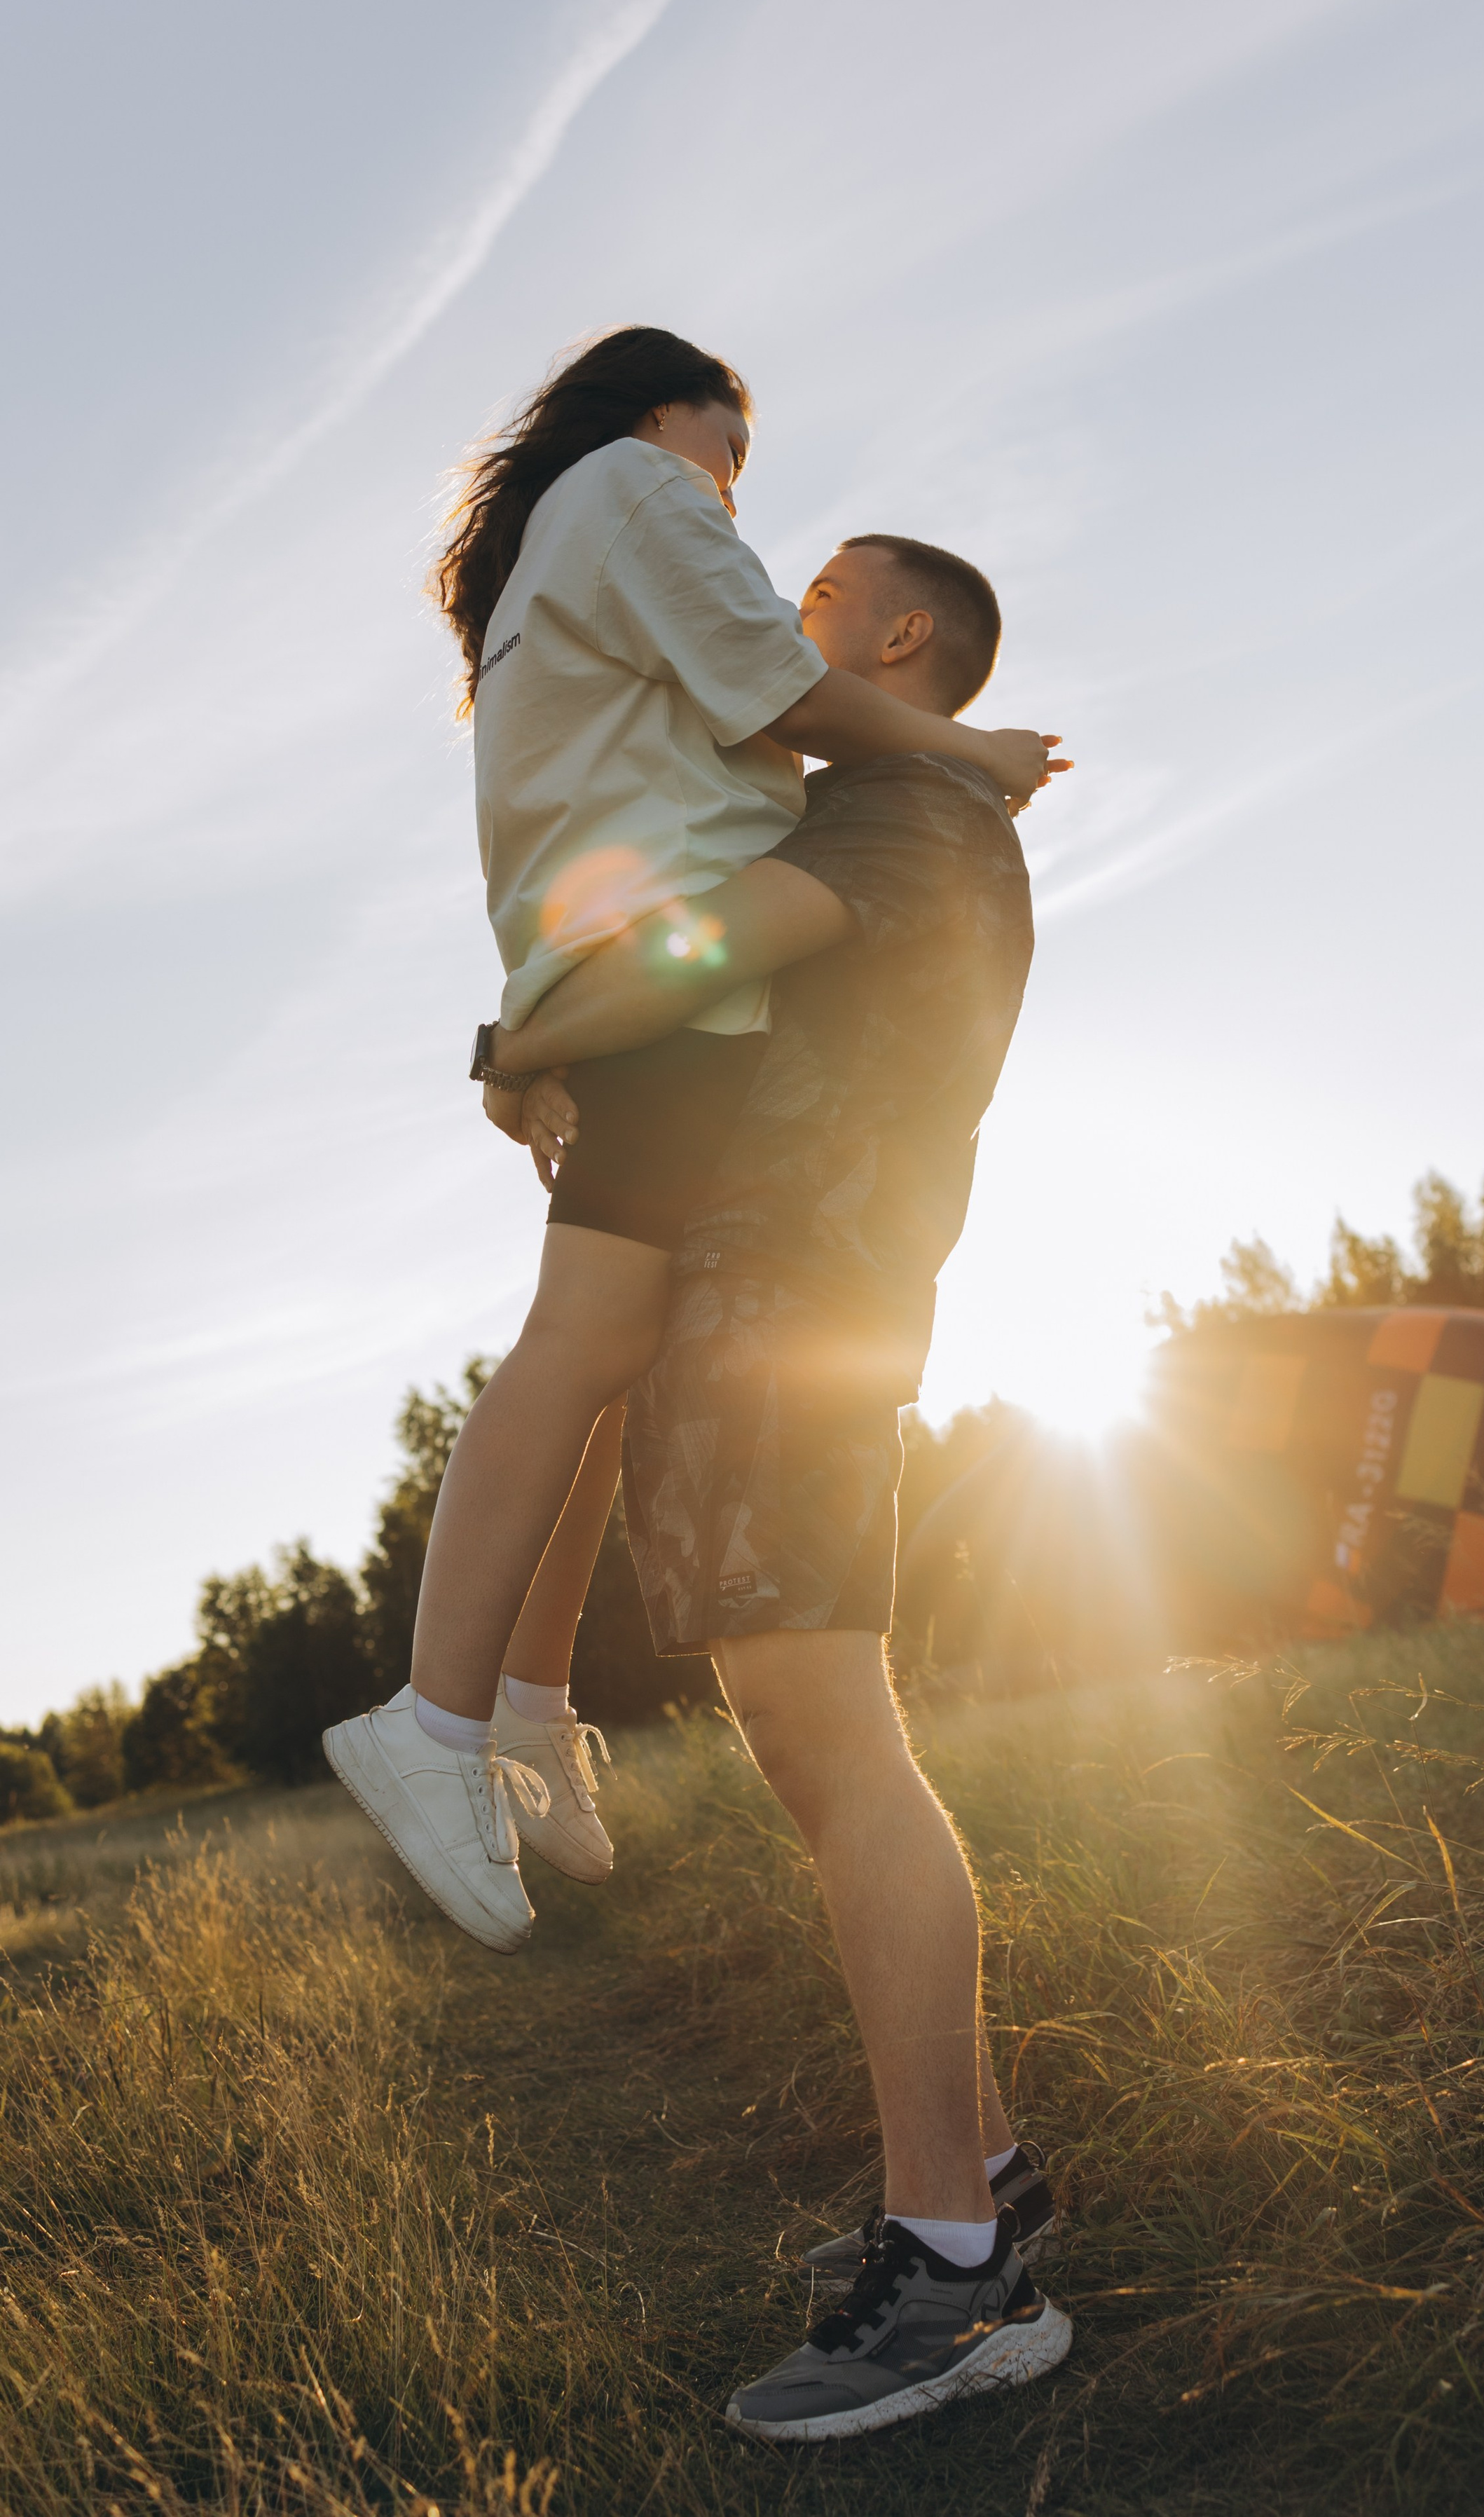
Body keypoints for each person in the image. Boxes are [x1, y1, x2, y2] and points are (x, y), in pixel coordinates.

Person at [324, 326, 1060, 1954]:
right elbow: (793, 694)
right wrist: (979, 753)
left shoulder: (579, 536)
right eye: (735, 451)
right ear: (675, 411)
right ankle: (436, 1726)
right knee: (581, 1337)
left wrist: (521, 1033)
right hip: (662, 989)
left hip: (633, 980)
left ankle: (514, 1704)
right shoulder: (645, 486)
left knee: (610, 1349)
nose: (737, 502)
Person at [492, 532, 1071, 2439]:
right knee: (823, 1748)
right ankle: (976, 2186)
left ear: (898, 639)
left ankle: (962, 2290)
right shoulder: (922, 804)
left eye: (816, 590)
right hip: (805, 1289)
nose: (775, 610)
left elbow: (708, 951)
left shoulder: (901, 813)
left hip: (796, 1296)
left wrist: (522, 1043)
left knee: (840, 1747)